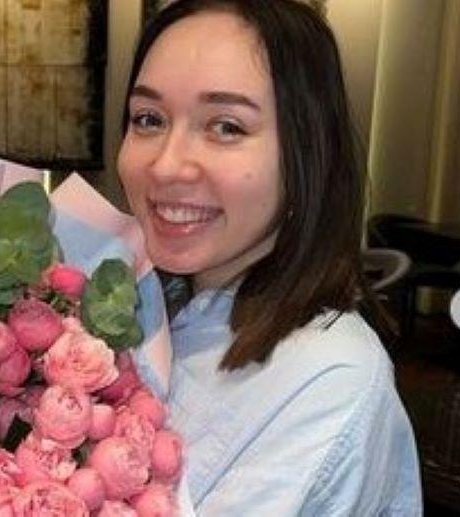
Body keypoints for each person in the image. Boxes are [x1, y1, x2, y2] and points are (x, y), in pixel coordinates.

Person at [119, 0, 423, 514]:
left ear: (306, 152)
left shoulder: (328, 379)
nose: (166, 165)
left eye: (226, 127)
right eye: (148, 119)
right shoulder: (133, 307)